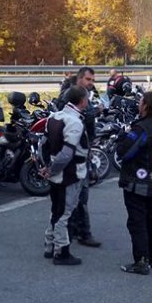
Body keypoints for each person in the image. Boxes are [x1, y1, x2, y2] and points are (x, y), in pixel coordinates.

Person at [116, 91, 152, 275]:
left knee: (137, 221)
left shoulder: (142, 128)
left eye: (140, 102)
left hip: (138, 182)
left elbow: (124, 152)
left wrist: (122, 137)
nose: (138, 105)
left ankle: (141, 261)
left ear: (146, 106)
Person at [40, 86, 89, 266]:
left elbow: (43, 145)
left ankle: (49, 245)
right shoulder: (75, 122)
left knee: (56, 209)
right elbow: (67, 154)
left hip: (58, 172)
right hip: (70, 174)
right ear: (82, 101)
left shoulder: (54, 117)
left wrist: (46, 166)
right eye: (87, 98)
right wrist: (52, 169)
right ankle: (61, 251)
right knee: (65, 213)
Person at [64, 67, 102, 247]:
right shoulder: (69, 95)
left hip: (83, 150)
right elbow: (75, 117)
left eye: (92, 80)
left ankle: (77, 232)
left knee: (81, 195)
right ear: (79, 79)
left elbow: (88, 123)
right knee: (76, 194)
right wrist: (96, 111)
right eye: (88, 79)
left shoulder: (87, 95)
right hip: (72, 152)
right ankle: (78, 234)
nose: (91, 83)